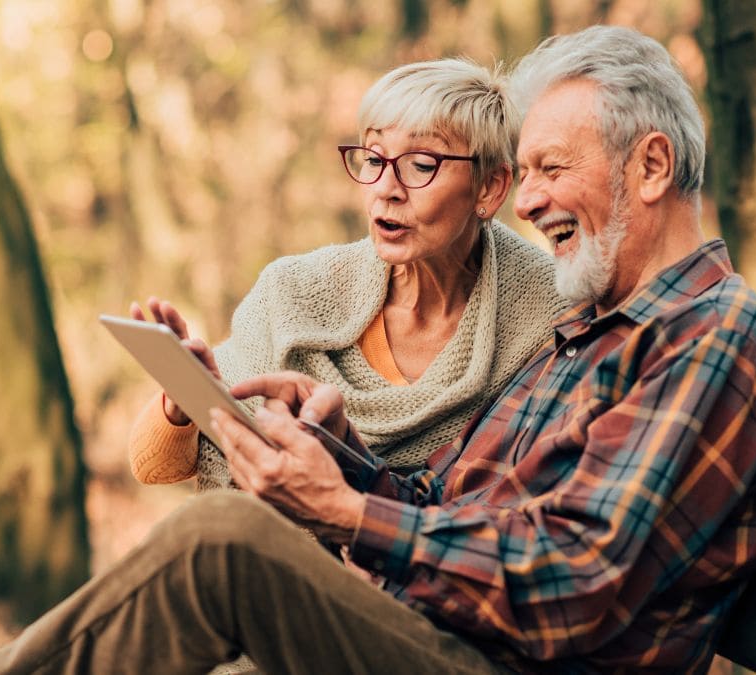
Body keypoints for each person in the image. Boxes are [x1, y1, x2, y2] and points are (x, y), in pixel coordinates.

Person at [0, 25, 756, 674]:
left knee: (224, 544)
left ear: (653, 166)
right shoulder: (594, 330)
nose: (528, 200)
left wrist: (346, 512)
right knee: (226, 527)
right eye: (525, 173)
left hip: (508, 662)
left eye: (550, 168)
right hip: (450, 639)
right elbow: (448, 503)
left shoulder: (715, 338)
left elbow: (581, 582)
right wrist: (335, 458)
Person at [126, 58, 565, 489]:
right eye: (373, 159)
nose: (385, 190)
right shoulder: (295, 292)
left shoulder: (552, 315)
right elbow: (153, 467)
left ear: (490, 186)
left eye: (421, 165)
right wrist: (185, 396)